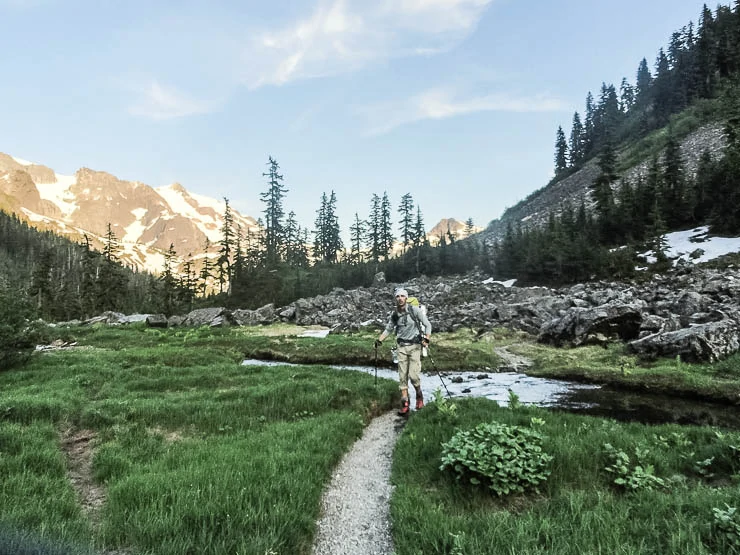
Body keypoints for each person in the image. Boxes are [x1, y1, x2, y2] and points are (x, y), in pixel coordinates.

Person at [374, 287, 432, 415]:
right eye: (397, 296)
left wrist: (427, 339)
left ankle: (419, 395)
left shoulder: (414, 310)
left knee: (414, 376)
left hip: (415, 347)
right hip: (401, 347)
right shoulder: (395, 314)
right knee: (402, 377)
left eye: (402, 296)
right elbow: (388, 329)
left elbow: (428, 325)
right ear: (395, 299)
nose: (400, 298)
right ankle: (405, 403)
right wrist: (380, 340)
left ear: (406, 298)